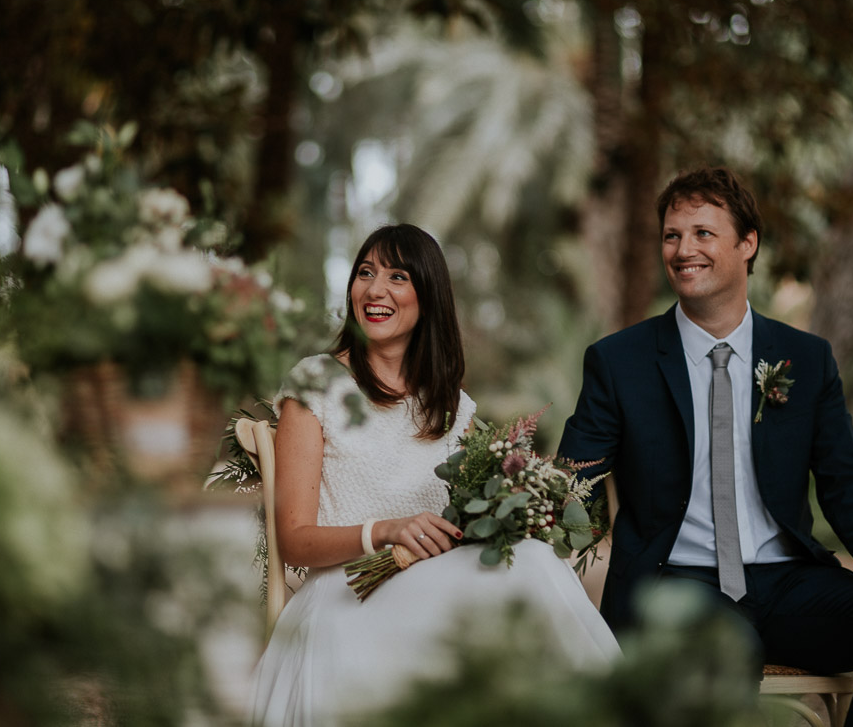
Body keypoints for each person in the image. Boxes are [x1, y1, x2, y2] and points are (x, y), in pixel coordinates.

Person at [558, 167, 853, 726]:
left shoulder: (805, 359)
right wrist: (524, 505)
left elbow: (844, 477)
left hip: (789, 581)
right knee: (725, 648)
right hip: (677, 584)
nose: (683, 249)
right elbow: (574, 477)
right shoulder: (620, 361)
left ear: (748, 243)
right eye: (672, 235)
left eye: (702, 233)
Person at [248, 224, 618, 727]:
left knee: (529, 558)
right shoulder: (316, 384)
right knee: (531, 568)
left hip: (433, 597)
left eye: (397, 276)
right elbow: (293, 540)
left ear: (428, 297)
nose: (375, 290)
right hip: (345, 596)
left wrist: (510, 512)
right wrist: (383, 530)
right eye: (365, 273)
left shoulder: (453, 407)